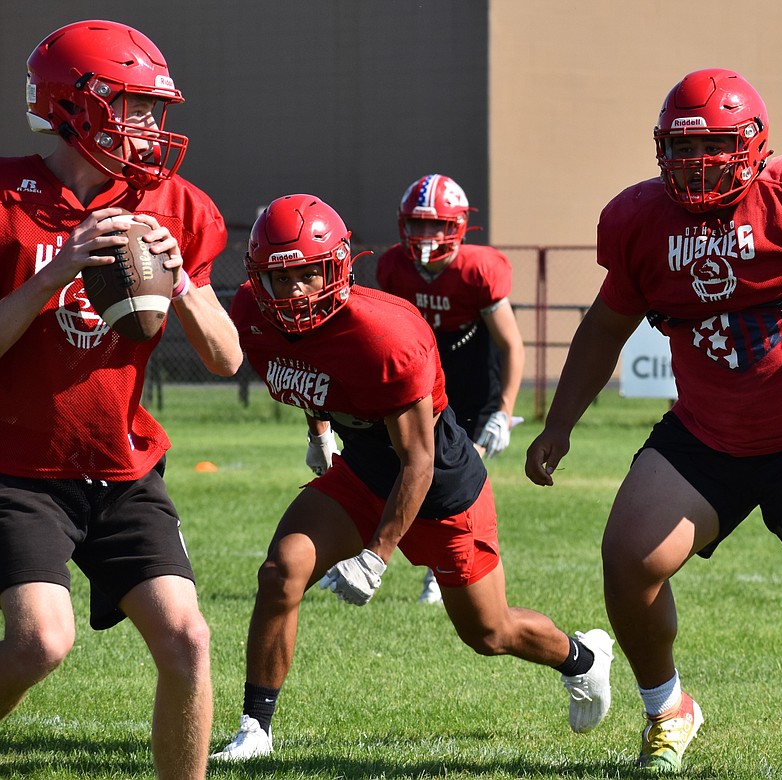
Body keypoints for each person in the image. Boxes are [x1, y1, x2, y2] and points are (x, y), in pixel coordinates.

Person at [525, 68, 782, 779]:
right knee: (628, 560)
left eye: (713, 145)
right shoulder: (642, 221)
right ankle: (667, 709)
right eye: (682, 150)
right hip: (707, 433)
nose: (696, 163)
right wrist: (559, 423)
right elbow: (604, 327)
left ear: (753, 144)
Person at [211, 193, 612, 761]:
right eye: (280, 278)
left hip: (440, 488)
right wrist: (319, 433)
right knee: (281, 573)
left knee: (489, 633)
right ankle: (255, 727)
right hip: (364, 473)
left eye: (308, 275)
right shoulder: (252, 314)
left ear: (339, 268)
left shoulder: (385, 335)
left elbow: (418, 461)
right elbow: (306, 370)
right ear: (257, 277)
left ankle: (583, 658)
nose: (295, 292)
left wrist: (376, 555)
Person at [0, 20, 242, 780]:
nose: (148, 127)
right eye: (131, 106)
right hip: (20, 467)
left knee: (188, 640)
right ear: (75, 105)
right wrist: (52, 272)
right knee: (42, 641)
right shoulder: (7, 199)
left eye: (151, 108)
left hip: (123, 465)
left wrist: (186, 286)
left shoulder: (176, 205)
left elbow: (228, 357)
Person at [374, 173, 525, 605]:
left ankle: (448, 568)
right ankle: (439, 565)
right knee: (414, 467)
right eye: (419, 224)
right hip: (421, 373)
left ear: (458, 225)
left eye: (437, 224)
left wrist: (502, 410)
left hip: (473, 374)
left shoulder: (478, 269)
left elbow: (511, 345)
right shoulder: (394, 267)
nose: (427, 235)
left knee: (452, 476)